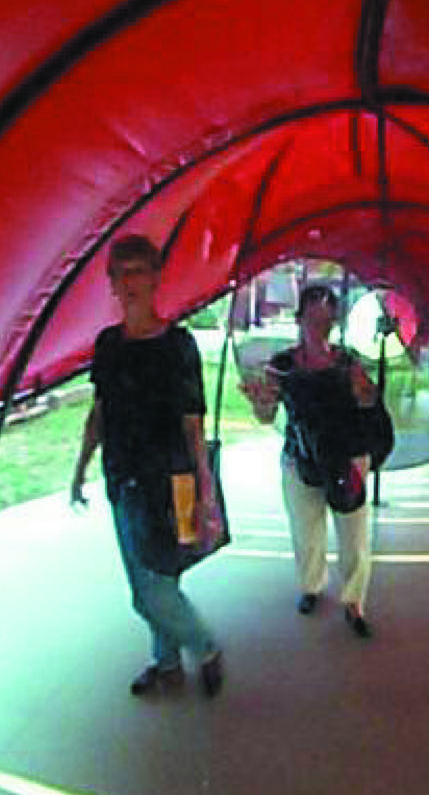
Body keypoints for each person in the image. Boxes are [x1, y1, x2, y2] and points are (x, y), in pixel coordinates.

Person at [70, 235, 225, 697]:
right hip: (122, 479)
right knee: (147, 578)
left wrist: (205, 488)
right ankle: (166, 663)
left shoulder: (178, 345)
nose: (132, 281)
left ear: (156, 278)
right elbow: (99, 412)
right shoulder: (108, 345)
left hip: (169, 481)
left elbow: (193, 422)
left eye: (140, 270)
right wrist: (81, 467)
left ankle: (206, 646)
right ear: (112, 283)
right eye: (123, 272)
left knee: (152, 589)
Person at [242, 283, 380, 638]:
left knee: (355, 534)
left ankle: (354, 601)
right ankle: (311, 586)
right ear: (299, 318)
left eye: (327, 319)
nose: (320, 326)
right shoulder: (283, 364)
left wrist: (365, 392)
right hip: (300, 458)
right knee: (306, 531)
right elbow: (266, 415)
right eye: (313, 318)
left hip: (346, 457)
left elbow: (368, 407)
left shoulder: (348, 360)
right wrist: (259, 400)